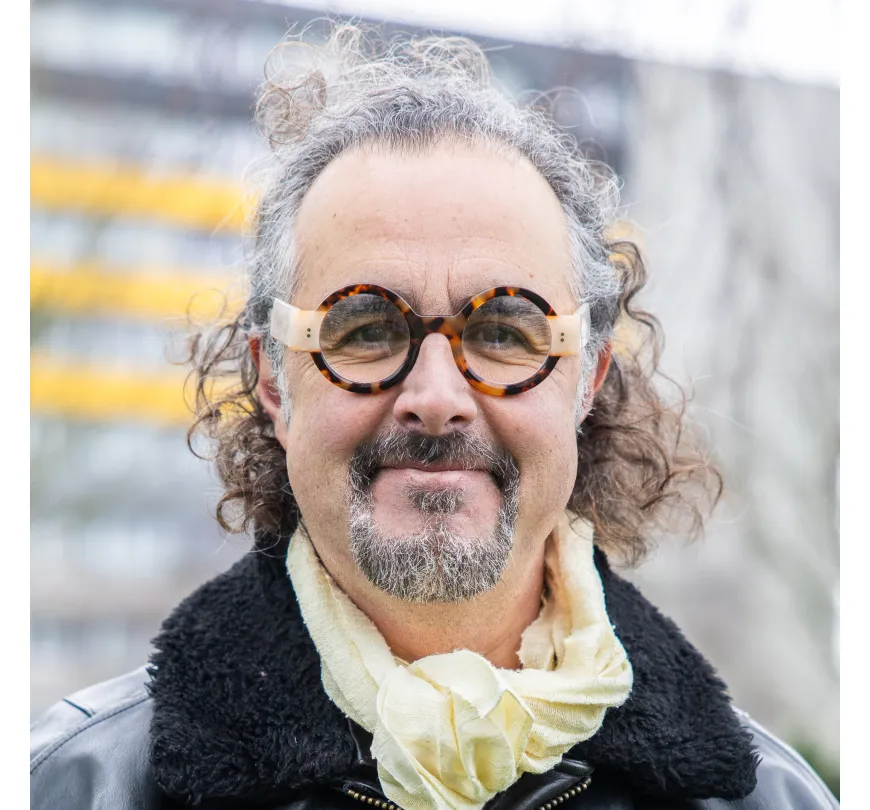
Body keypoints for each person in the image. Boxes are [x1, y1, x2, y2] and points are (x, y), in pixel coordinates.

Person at [30, 25, 838, 810]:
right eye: (366, 328)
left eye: (504, 333)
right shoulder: (74, 787)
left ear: (587, 383)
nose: (437, 398)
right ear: (273, 382)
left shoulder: (771, 799)